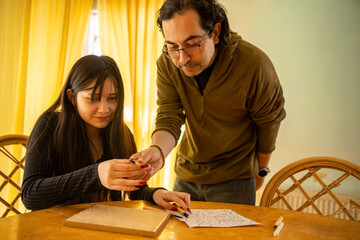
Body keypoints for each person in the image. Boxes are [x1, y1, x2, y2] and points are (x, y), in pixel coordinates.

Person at [131, 0, 286, 205]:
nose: (183, 59)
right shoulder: (168, 64)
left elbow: (268, 123)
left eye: (192, 44)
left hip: (235, 178)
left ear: (215, 32)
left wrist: (261, 170)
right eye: (173, 47)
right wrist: (157, 150)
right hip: (186, 176)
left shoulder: (254, 65)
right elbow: (169, 115)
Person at [21, 55, 190, 211]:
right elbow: (30, 194)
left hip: (101, 227)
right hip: (55, 226)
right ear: (72, 97)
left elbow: (133, 189)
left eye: (112, 98)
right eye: (93, 98)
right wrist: (96, 174)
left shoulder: (122, 134)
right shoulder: (50, 125)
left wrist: (156, 194)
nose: (104, 109)